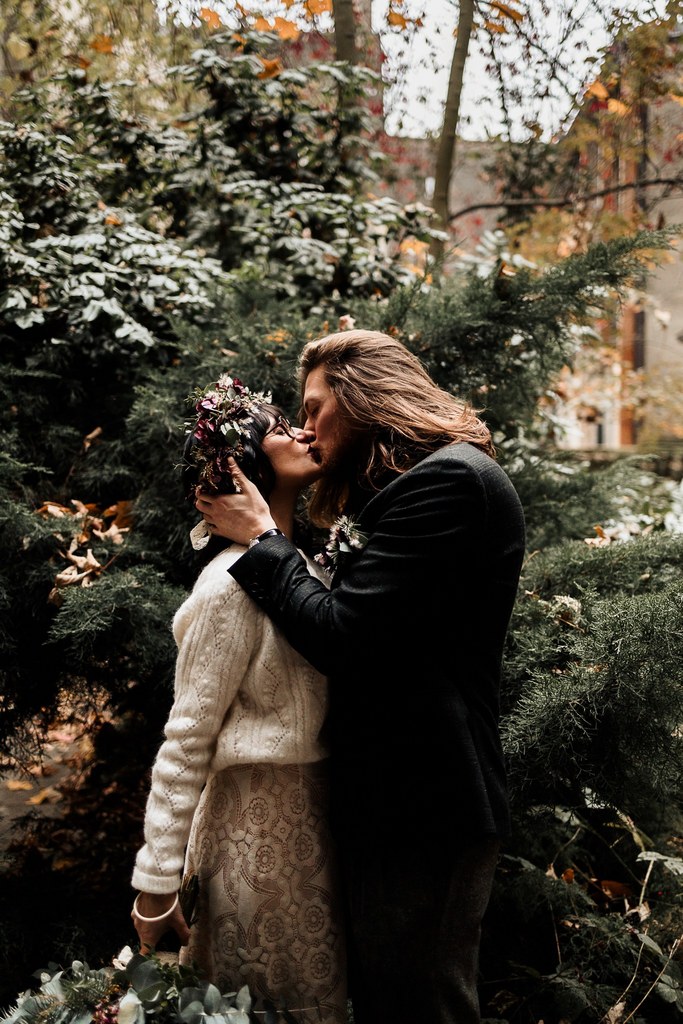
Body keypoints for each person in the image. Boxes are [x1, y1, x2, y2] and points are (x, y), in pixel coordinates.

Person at [195, 331, 527, 1024]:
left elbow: (343, 635)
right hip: (395, 803)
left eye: (315, 406)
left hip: (428, 803)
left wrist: (261, 538)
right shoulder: (415, 489)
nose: (306, 425)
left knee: (420, 1008)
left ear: (361, 392)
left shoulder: (449, 482)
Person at [131, 376, 346, 1024]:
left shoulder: (305, 572)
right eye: (283, 428)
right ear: (244, 463)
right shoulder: (227, 586)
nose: (306, 432)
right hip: (253, 842)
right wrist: (155, 881)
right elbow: (186, 738)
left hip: (320, 833)